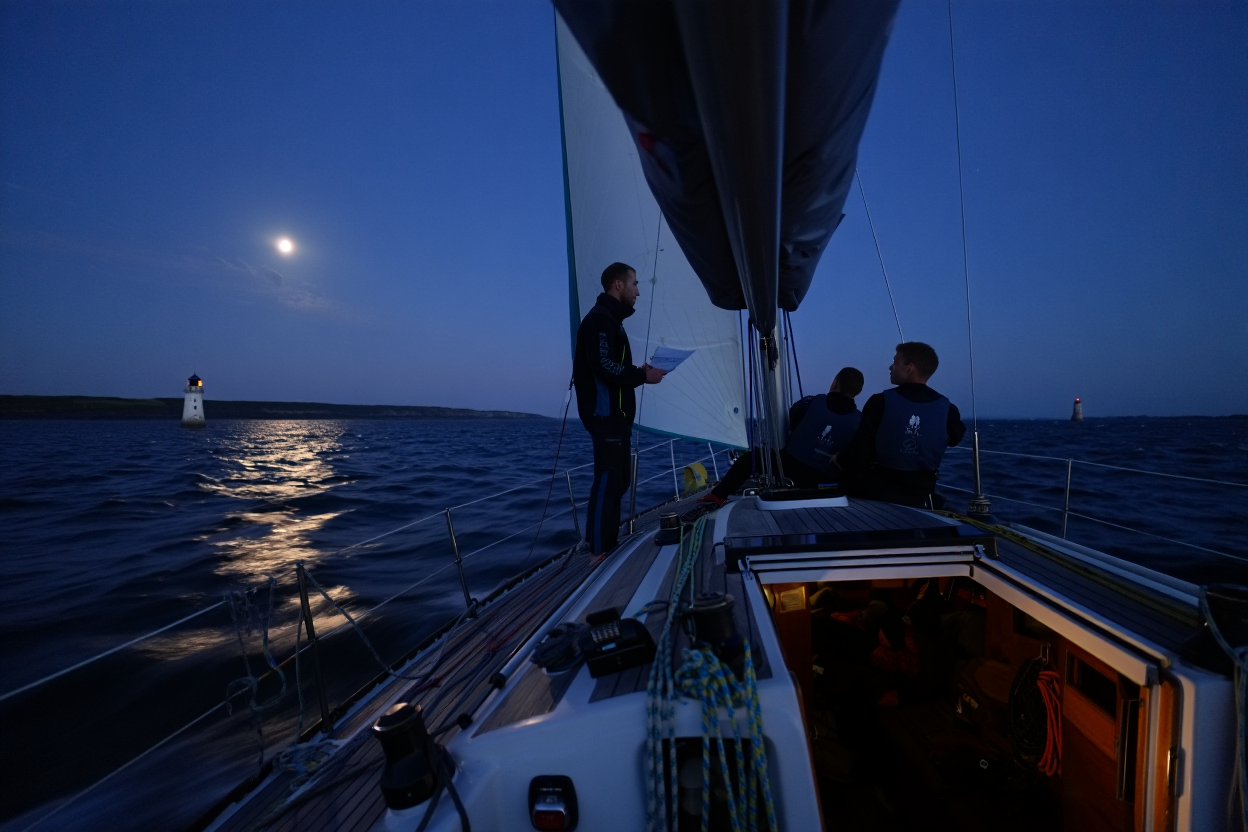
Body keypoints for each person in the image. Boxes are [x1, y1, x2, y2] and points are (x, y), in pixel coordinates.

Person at [574, 262, 666, 553]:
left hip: (617, 417)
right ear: (618, 285)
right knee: (609, 480)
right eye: (635, 284)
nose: (638, 291)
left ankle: (604, 544)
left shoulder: (611, 320)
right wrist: (641, 376)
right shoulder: (600, 320)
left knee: (619, 480)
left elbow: (611, 365)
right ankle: (599, 552)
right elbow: (603, 366)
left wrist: (638, 371)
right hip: (606, 417)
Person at [696, 367, 864, 507]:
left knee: (750, 459)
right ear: (857, 392)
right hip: (826, 480)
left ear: (834, 383)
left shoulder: (812, 401)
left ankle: (718, 496)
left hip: (790, 468)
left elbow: (786, 424)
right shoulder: (860, 421)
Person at [837, 342, 966, 508]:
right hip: (921, 496)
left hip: (877, 494)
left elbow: (858, 454)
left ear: (909, 368)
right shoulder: (949, 410)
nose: (890, 367)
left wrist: (838, 458)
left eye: (895, 362)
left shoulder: (879, 402)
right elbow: (955, 437)